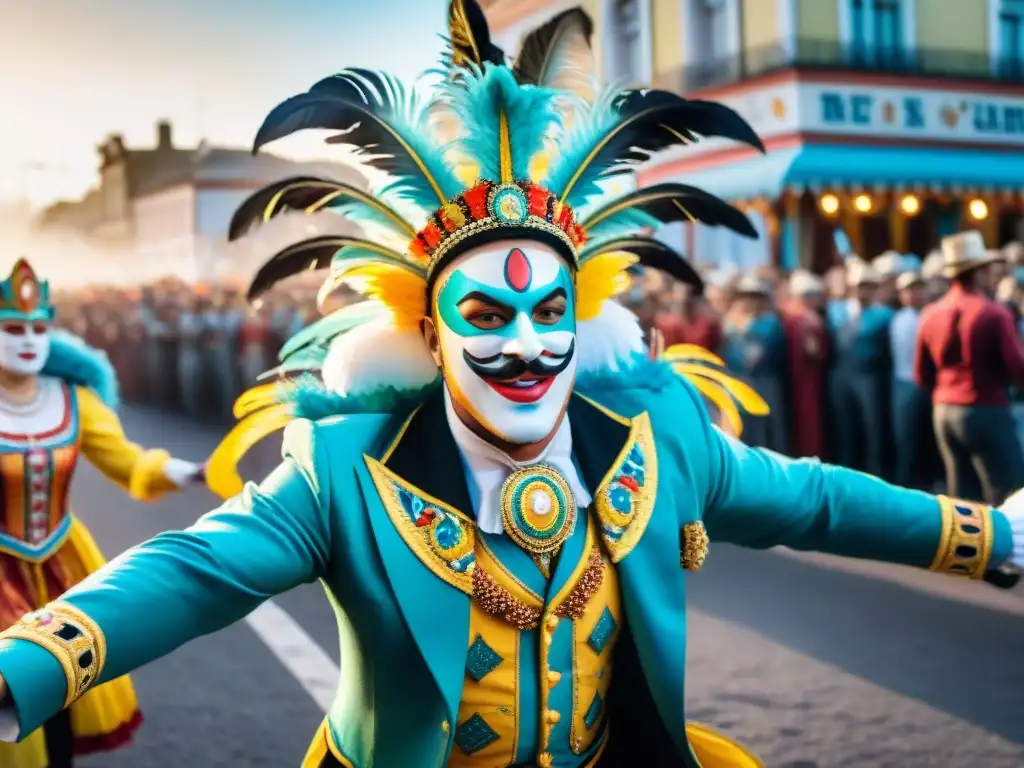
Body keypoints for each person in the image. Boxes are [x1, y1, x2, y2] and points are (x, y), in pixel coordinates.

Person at [1, 6, 1023, 768]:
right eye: (487, 316)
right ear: (431, 334)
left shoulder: (658, 434)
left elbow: (812, 498)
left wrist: (990, 537)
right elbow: (193, 570)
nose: (527, 347)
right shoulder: (346, 470)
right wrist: (25, 670)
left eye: (549, 312)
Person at [0, 259, 206, 768]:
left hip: (62, 560)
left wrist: (189, 471)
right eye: (13, 329)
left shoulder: (74, 400)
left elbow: (125, 460)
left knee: (60, 684)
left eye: (37, 329)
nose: (28, 341)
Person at [915, 230, 1024, 506]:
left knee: (961, 496)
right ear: (977, 273)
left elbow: (922, 374)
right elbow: (1017, 366)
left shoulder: (930, 313)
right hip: (985, 406)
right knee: (1008, 493)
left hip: (944, 410)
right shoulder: (993, 313)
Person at [827, 259, 894, 476]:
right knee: (844, 425)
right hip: (841, 375)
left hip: (869, 376)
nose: (862, 291)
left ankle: (875, 469)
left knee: (872, 425)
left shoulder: (884, 315)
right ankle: (846, 470)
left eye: (867, 286)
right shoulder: (836, 311)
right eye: (858, 286)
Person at [722, 275, 788, 453]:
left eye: (754, 296)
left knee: (767, 436)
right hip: (737, 385)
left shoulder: (769, 323)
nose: (748, 301)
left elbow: (752, 358)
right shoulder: (728, 322)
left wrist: (738, 330)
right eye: (743, 296)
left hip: (764, 385)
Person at [780, 269, 829, 459]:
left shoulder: (789, 317)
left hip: (801, 380)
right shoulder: (805, 320)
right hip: (803, 382)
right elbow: (814, 352)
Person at [890, 270, 930, 488]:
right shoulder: (895, 318)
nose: (914, 294)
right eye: (909, 290)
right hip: (903, 386)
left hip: (926, 385)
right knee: (906, 440)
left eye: (918, 289)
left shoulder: (930, 315)